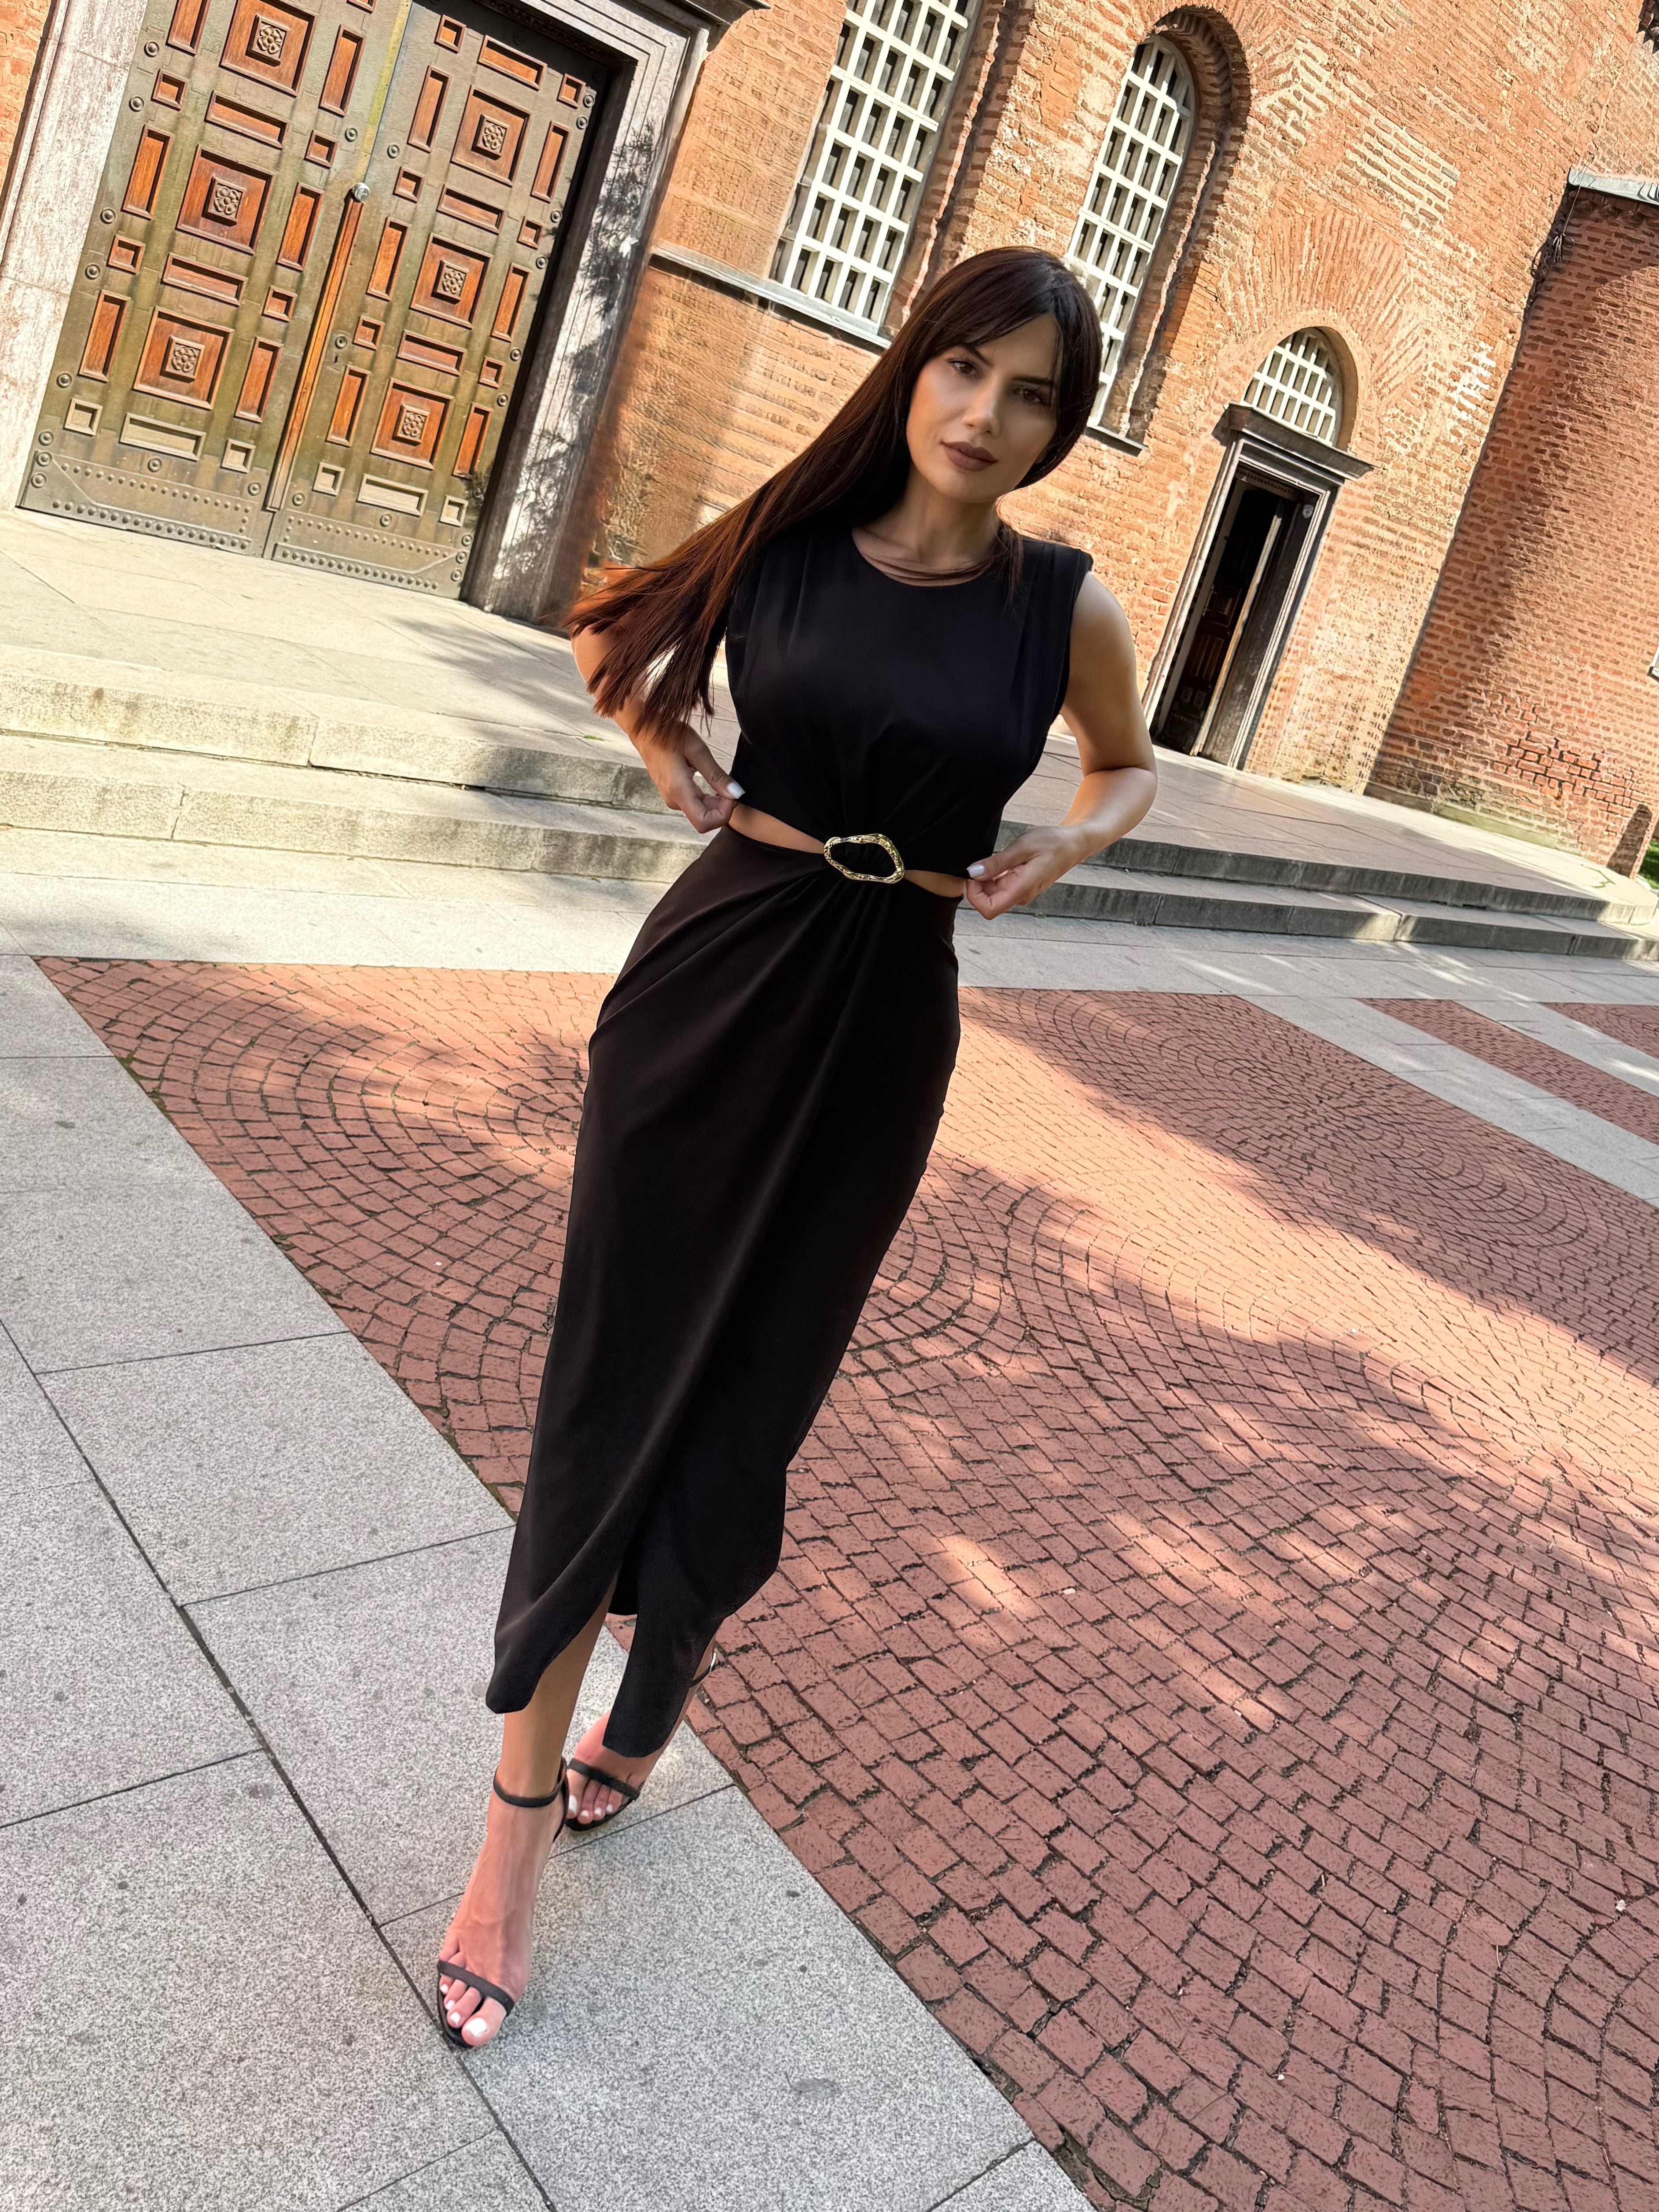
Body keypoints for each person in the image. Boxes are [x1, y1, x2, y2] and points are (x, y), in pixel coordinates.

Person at [436, 245, 1157, 2048]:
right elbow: (612, 623)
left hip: (883, 1027)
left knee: (754, 1406)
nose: (984, 415)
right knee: (609, 1398)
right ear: (915, 365)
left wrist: (1065, 842)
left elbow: (1127, 763)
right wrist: (662, 741)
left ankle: (656, 1689)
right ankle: (507, 1845)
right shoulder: (789, 534)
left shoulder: (1060, 603)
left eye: (1032, 396)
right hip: (709, 989)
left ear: (1061, 427)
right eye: (965, 369)